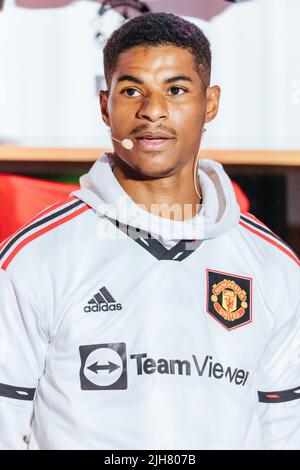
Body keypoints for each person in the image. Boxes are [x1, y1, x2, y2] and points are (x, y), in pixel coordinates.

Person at [0, 12, 299, 450]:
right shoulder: (34, 257)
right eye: (131, 90)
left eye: (175, 90)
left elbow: (284, 424)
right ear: (105, 106)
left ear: (210, 103)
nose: (152, 110)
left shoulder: (274, 265)